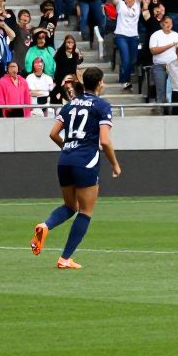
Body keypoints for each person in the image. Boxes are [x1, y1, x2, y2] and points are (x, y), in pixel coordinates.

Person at [31, 67, 121, 270]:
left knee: (70, 206)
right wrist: (115, 164)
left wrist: (68, 149)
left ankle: (45, 226)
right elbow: (105, 141)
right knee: (86, 211)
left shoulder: (70, 105)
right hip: (86, 161)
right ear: (99, 83)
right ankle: (65, 258)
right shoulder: (102, 106)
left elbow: (53, 134)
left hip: (65, 159)